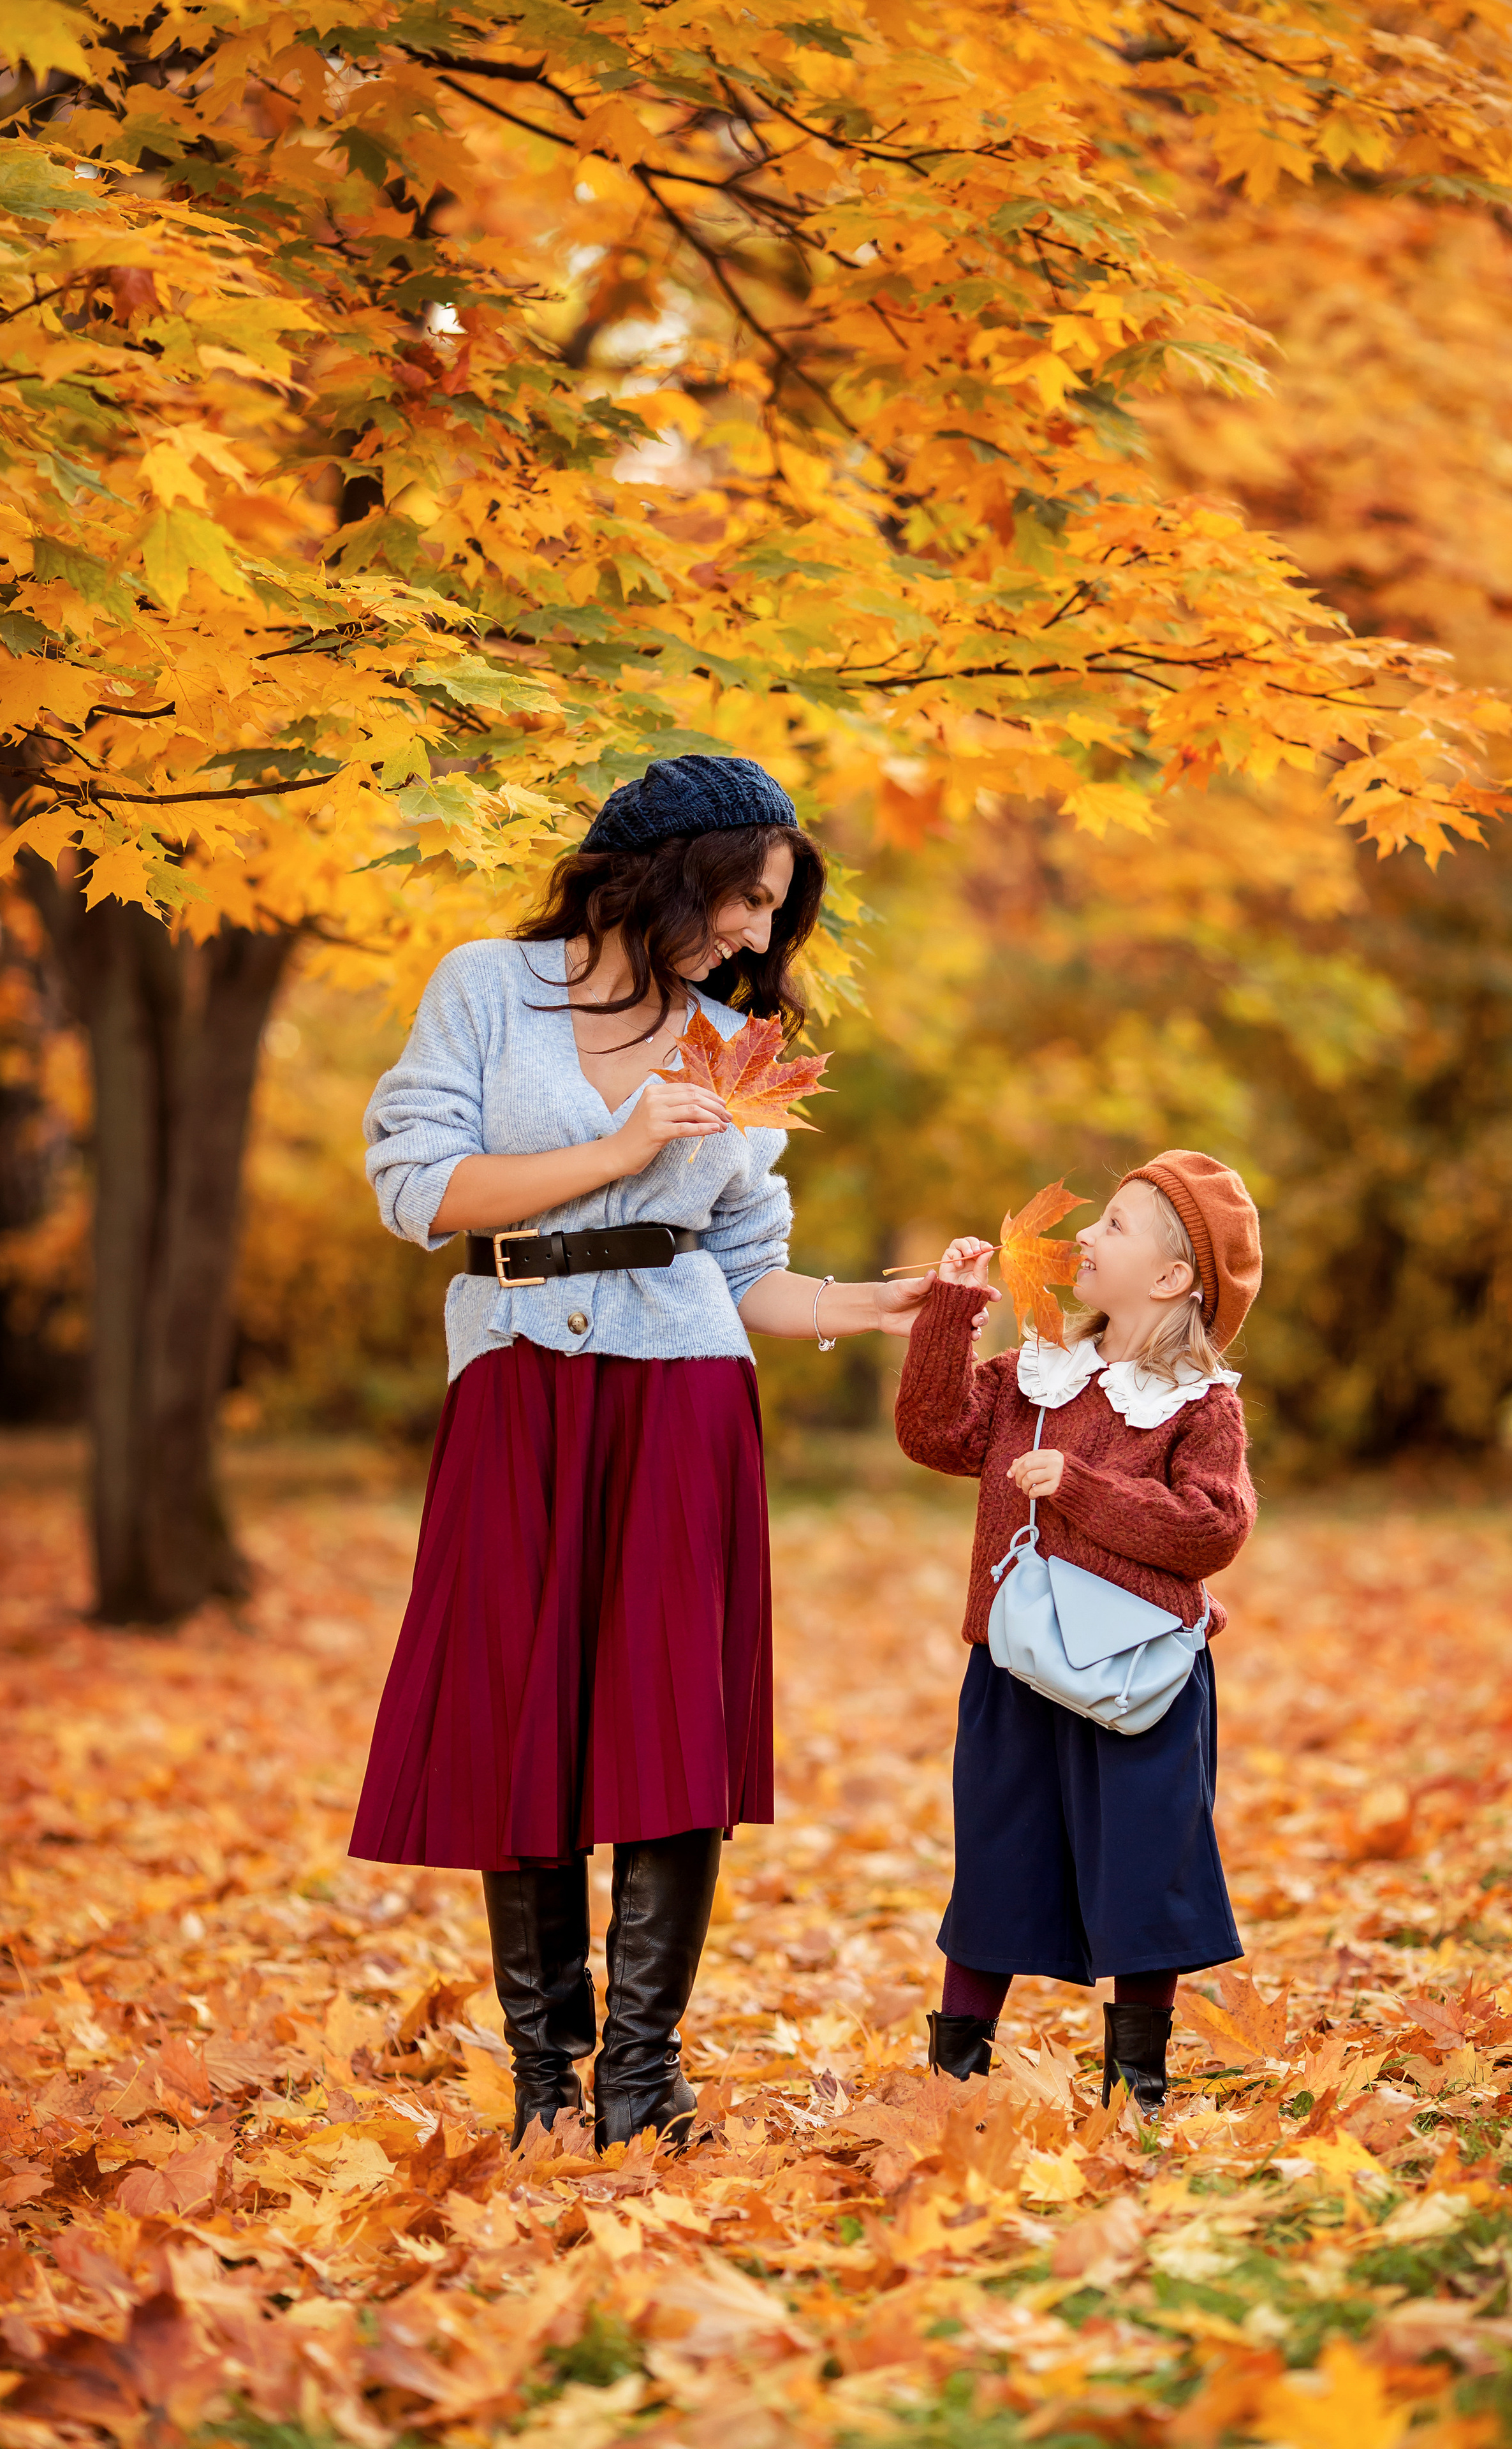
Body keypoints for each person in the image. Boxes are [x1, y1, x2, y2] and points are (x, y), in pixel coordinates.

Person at [350, 754, 957, 2151]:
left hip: (682, 1388)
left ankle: (639, 2079)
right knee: (524, 1715)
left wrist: (875, 1303)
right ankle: (544, 2082)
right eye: (746, 900)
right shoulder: (485, 990)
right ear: (669, 863)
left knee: (664, 1719)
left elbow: (749, 1270)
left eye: (771, 916)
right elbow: (417, 1190)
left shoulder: (727, 1041)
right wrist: (617, 1151)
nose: (756, 937)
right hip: (520, 1386)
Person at [893, 1152, 1262, 2115]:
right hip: (1016, 1666)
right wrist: (950, 1311)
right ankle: (955, 2071)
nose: (1085, 1238)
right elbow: (932, 1431)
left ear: (1173, 1278)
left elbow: (1212, 1528)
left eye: (1116, 1227)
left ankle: (1135, 2079)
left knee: (1145, 1864)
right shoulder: (1039, 1372)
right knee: (999, 1855)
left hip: (1138, 1678)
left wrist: (1085, 1489)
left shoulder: (1201, 1404)